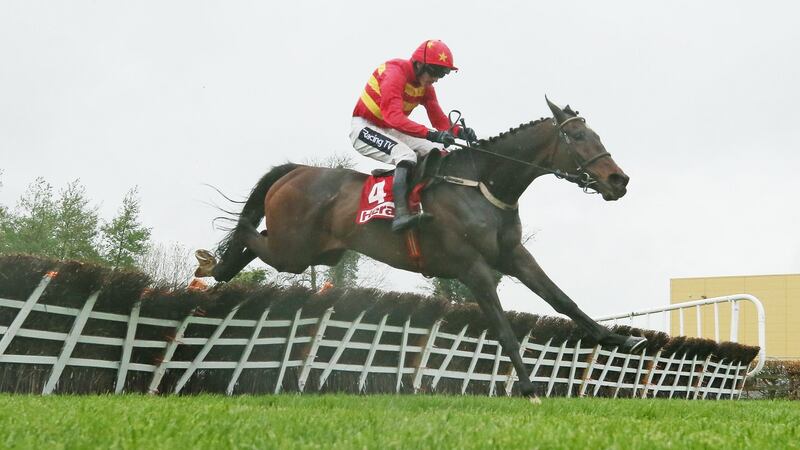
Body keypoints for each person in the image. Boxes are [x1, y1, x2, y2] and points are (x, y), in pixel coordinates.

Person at [350, 39, 477, 232]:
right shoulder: (394, 74)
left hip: (390, 128)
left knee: (438, 150)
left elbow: (439, 120)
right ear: (419, 64)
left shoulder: (426, 87)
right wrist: (431, 134)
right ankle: (401, 214)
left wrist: (459, 131)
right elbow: (394, 117)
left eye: (442, 74)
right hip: (365, 127)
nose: (437, 78)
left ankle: (430, 201)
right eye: (435, 72)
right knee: (406, 155)